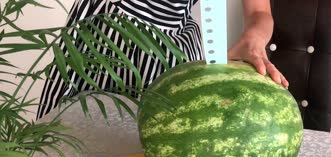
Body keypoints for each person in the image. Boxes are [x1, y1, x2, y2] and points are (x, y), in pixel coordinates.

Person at [37, 0, 288, 119]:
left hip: (175, 45)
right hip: (106, 31)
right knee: (66, 151)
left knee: (162, 154)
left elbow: (259, 12)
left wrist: (254, 40)